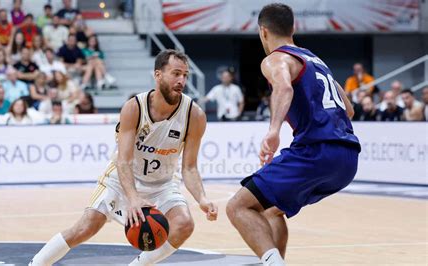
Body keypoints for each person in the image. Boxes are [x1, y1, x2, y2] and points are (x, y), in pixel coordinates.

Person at [29, 49, 218, 266]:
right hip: (121, 180)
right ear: (158, 75)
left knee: (184, 224)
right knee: (86, 227)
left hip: (162, 183)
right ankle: (36, 264)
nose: (181, 80)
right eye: (176, 73)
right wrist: (134, 197)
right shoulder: (134, 108)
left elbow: (190, 168)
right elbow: (124, 160)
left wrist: (202, 199)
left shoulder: (195, 115)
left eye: (185, 75)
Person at [225, 4, 360, 266]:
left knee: (237, 207)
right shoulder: (316, 60)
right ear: (293, 28)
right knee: (273, 210)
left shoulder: (275, 59)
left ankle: (274, 263)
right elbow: (350, 110)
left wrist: (273, 130)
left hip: (315, 152)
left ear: (262, 31)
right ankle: (276, 261)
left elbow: (284, 88)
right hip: (348, 158)